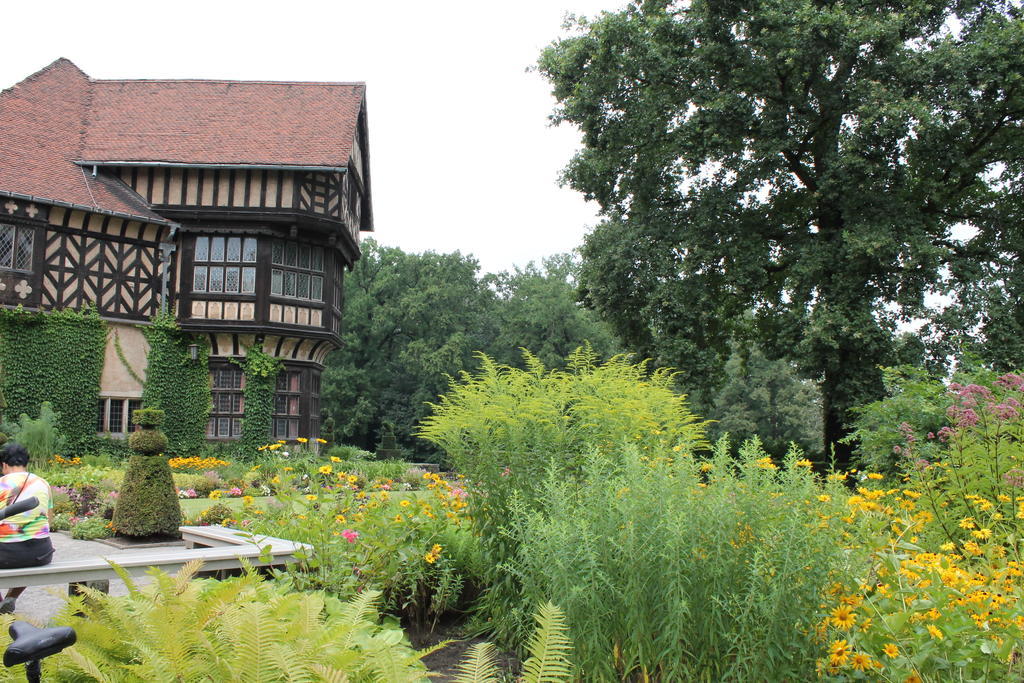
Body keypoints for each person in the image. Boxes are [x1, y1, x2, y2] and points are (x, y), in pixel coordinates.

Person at [0, 442, 54, 614]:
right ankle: (11, 598)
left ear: (4, 464)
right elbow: (49, 522)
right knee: (27, 557)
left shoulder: (2, 483)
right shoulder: (43, 483)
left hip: (5, 555)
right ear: (26, 463)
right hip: (40, 554)